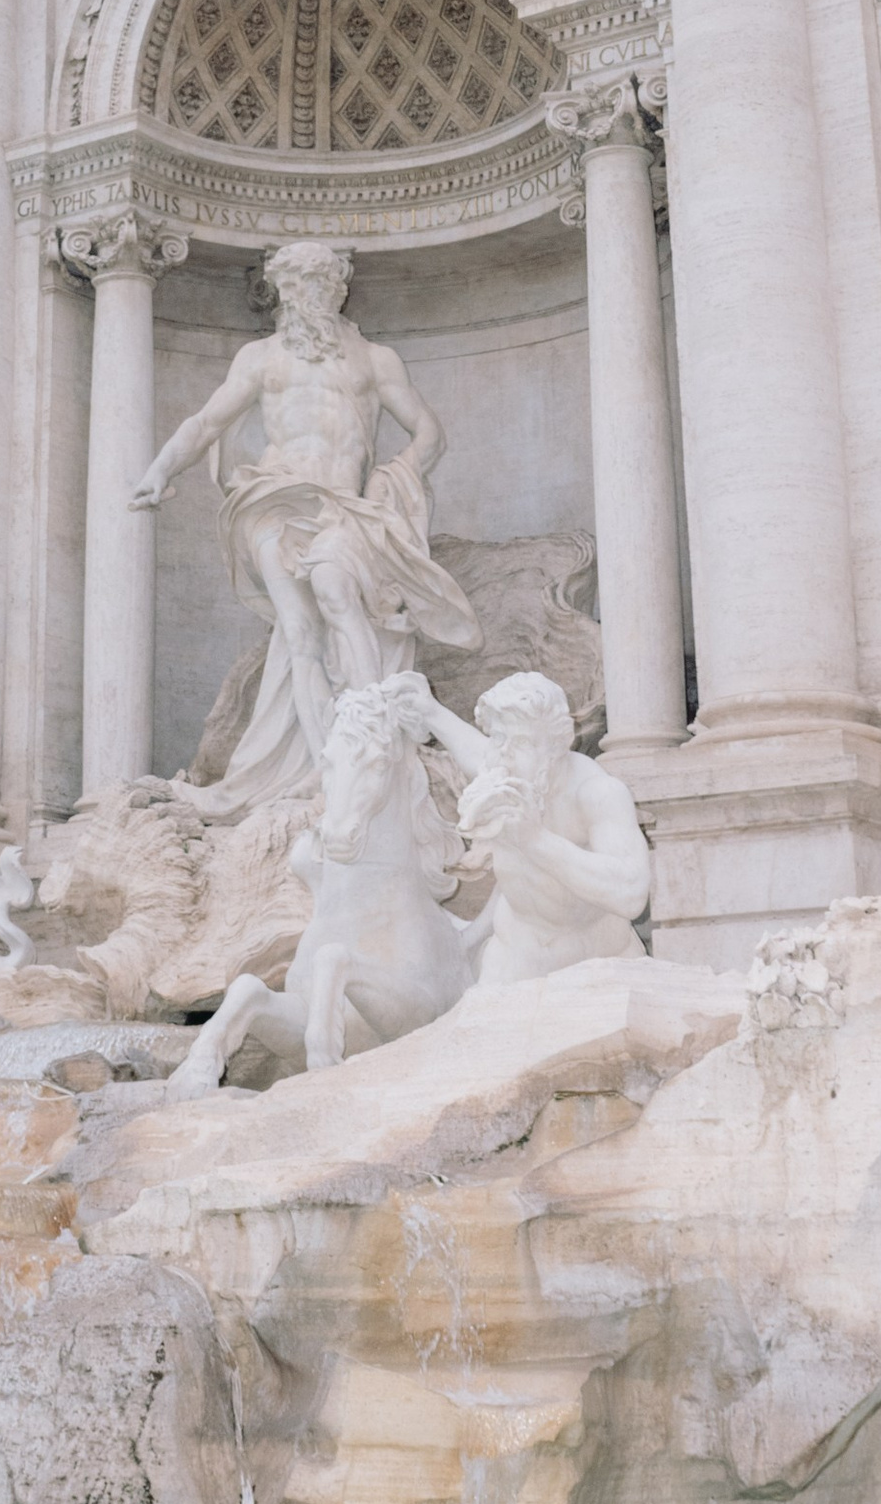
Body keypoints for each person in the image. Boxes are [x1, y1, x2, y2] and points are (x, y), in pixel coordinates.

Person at [130, 238, 478, 808]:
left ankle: (375, 738)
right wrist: (160, 469)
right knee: (299, 631)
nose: (302, 297)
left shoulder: (375, 359)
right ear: (279, 293)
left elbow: (429, 434)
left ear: (338, 289)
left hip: (342, 506)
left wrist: (390, 481)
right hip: (273, 500)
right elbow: (207, 422)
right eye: (291, 286)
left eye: (315, 284)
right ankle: (329, 768)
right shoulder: (260, 358)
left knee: (335, 591)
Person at [398, 668, 651, 979]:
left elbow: (630, 894)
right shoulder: (506, 767)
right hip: (513, 958)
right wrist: (428, 710)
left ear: (556, 746)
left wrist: (534, 840)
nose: (502, 755)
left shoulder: (597, 793)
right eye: (497, 738)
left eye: (519, 742)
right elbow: (472, 748)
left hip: (598, 961)